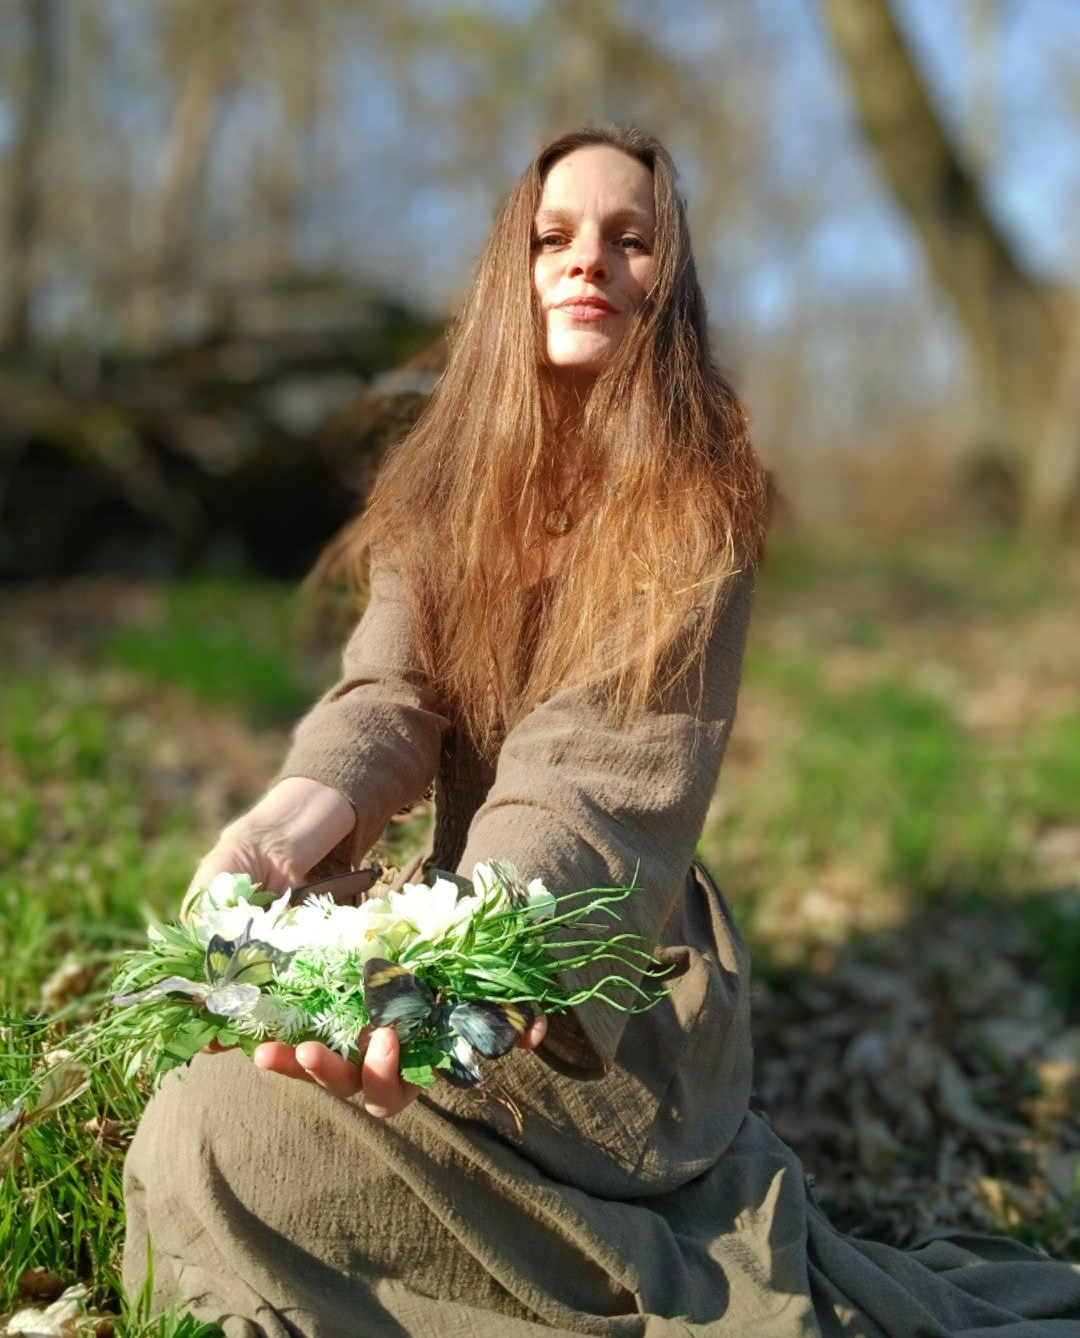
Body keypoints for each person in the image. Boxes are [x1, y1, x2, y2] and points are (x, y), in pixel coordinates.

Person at [123, 127, 1080, 1337]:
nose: (590, 265)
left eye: (632, 242)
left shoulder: (698, 500)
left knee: (222, 1138)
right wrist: (275, 833)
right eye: (554, 238)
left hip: (598, 975)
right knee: (199, 1119)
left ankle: (645, 1283)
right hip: (447, 918)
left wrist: (460, 953)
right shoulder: (441, 487)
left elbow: (590, 776)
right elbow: (388, 700)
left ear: (668, 287)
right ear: (509, 274)